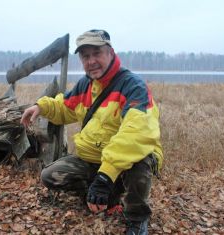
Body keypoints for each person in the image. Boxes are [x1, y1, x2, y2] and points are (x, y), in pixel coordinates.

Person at [20, 29, 163, 235]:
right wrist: (41, 107)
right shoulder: (85, 84)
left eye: (97, 53)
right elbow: (65, 107)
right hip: (93, 158)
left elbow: (136, 134)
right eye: (85, 56)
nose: (91, 61)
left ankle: (137, 218)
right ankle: (106, 195)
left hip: (126, 159)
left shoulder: (133, 86)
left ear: (111, 53)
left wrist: (105, 176)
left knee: (141, 162)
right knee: (50, 176)